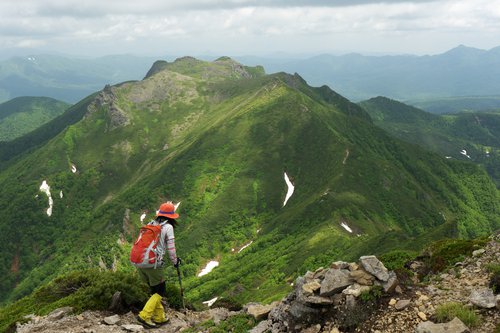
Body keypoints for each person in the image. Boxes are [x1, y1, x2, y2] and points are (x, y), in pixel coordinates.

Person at [133, 201, 181, 328]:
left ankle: (159, 317)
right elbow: (171, 249)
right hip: (153, 264)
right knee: (160, 291)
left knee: (154, 291)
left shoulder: (150, 224)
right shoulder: (168, 228)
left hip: (140, 262)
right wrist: (175, 261)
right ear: (171, 216)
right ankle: (144, 316)